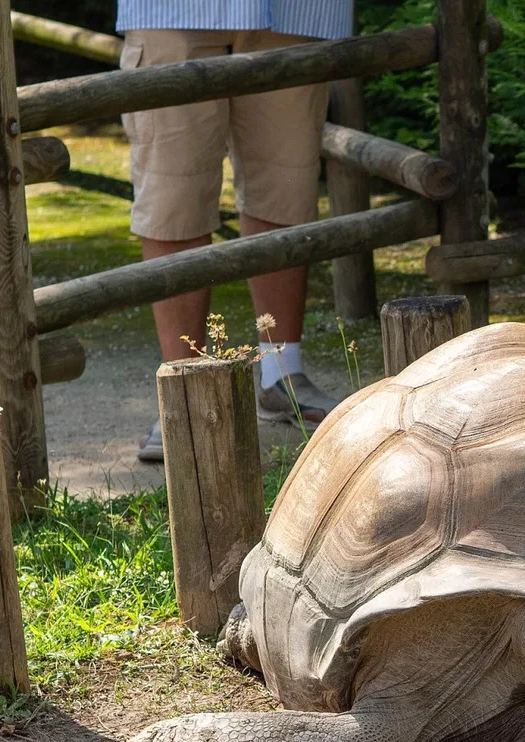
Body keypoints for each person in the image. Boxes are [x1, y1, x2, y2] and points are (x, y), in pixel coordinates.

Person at [116, 0, 354, 462]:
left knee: (286, 185)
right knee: (173, 193)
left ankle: (281, 373)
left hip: (296, 11)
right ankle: (183, 392)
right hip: (171, 11)